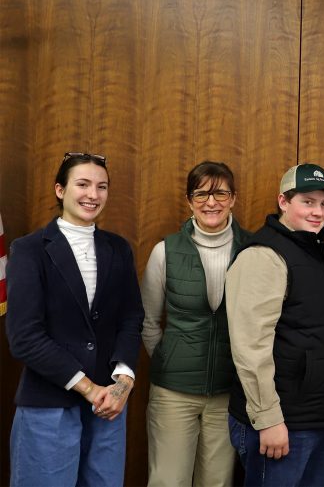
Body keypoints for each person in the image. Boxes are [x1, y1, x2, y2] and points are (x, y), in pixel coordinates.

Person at [6, 152, 144, 486]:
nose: (93, 195)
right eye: (82, 184)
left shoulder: (119, 248)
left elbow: (131, 316)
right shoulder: (29, 249)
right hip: (49, 403)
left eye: (102, 187)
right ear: (59, 189)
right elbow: (24, 337)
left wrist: (123, 382)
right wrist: (87, 387)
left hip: (108, 406)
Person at [225, 163, 324, 487]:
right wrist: (268, 419)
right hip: (282, 424)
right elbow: (250, 346)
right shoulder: (264, 255)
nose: (318, 212)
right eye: (307, 202)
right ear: (283, 201)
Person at [141, 161, 251, 487]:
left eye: (220, 192)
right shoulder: (165, 251)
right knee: (167, 481)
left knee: (217, 482)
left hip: (229, 392)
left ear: (233, 198)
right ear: (189, 200)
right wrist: (168, 360)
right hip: (173, 393)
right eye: (201, 193)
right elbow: (147, 321)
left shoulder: (253, 249)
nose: (211, 202)